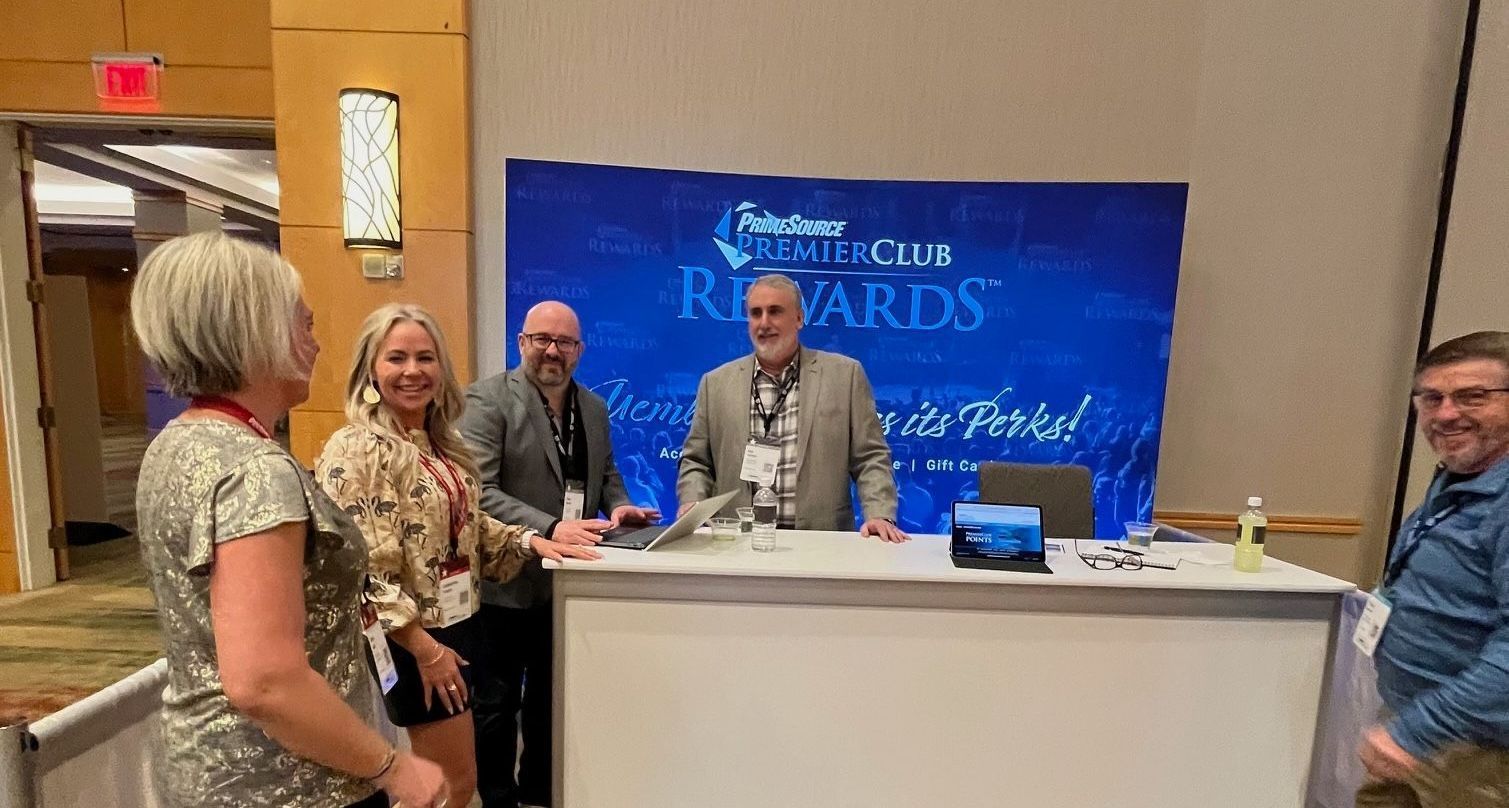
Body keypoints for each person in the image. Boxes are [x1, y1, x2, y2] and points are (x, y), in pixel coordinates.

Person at [130, 233, 446, 808]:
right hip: (290, 785)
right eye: (305, 326)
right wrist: (393, 766)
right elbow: (265, 680)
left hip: (213, 771)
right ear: (255, 332)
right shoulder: (255, 470)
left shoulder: (177, 442)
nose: (317, 345)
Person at [317, 304, 601, 808]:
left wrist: (531, 540)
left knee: (450, 781)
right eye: (396, 358)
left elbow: (466, 528)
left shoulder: (439, 443)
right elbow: (360, 570)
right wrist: (424, 650)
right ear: (370, 369)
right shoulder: (357, 448)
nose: (412, 371)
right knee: (447, 785)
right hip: (415, 639)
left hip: (460, 626)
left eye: (425, 358)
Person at [458, 300, 657, 808]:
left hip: (568, 585)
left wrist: (622, 509)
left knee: (551, 702)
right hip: (505, 581)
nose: (552, 351)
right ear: (521, 342)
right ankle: (496, 799)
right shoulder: (485, 401)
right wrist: (552, 526)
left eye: (564, 342)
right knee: (496, 706)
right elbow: (479, 490)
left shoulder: (592, 407)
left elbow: (606, 476)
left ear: (579, 351)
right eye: (541, 339)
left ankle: (540, 794)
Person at [1359, 331, 1509, 807]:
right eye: (1431, 398)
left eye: (1472, 397)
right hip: (1420, 731)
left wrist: (1419, 732)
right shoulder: (1462, 476)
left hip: (1477, 755)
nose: (1446, 414)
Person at [676, 273, 905, 541]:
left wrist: (879, 514)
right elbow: (696, 460)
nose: (764, 323)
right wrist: (692, 501)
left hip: (820, 544)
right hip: (736, 545)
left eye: (775, 312)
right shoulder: (715, 383)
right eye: (755, 313)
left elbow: (870, 457)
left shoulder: (845, 375)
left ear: (798, 318)